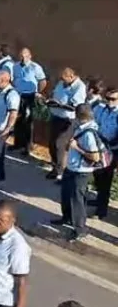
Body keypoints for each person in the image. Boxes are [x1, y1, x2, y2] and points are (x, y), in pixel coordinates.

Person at [52, 104, 106, 242]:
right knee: (66, 194)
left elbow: (95, 157)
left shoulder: (88, 133)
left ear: (78, 116)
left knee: (77, 200)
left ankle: (80, 229)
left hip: (81, 172)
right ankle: (67, 218)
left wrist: (77, 147)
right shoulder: (81, 128)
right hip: (72, 168)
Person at [44, 68, 87, 182]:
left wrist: (59, 105)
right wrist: (50, 101)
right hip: (56, 116)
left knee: (60, 145)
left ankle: (61, 171)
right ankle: (55, 167)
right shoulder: (61, 82)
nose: (62, 81)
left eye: (64, 79)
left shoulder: (80, 87)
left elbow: (75, 106)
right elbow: (56, 94)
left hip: (68, 120)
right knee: (52, 143)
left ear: (71, 76)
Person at [11, 48, 48, 156]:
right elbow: (13, 79)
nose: (23, 58)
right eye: (21, 56)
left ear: (30, 56)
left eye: (25, 56)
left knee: (28, 121)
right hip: (18, 95)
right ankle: (17, 143)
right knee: (17, 119)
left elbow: (43, 81)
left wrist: (37, 92)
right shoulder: (15, 66)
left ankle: (27, 146)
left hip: (30, 96)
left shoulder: (35, 67)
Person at [91, 87, 118, 220]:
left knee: (106, 179)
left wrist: (109, 144)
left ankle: (101, 209)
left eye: (113, 99)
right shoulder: (100, 109)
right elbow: (92, 122)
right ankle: (98, 198)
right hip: (97, 146)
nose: (109, 102)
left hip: (112, 149)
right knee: (97, 175)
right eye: (107, 98)